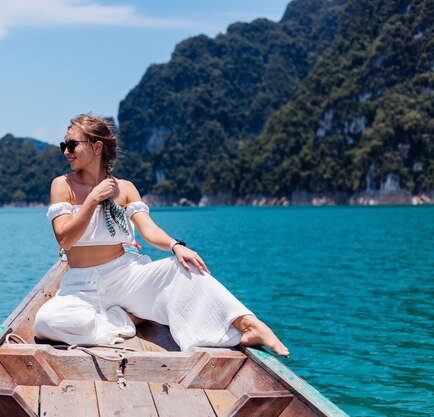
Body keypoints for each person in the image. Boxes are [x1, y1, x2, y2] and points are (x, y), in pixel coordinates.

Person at [33, 114, 289, 357]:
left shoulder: (125, 189)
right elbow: (65, 239)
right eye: (63, 145)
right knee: (47, 322)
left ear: (96, 147)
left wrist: (176, 246)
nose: (66, 151)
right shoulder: (62, 185)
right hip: (81, 287)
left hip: (124, 276)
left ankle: (248, 324)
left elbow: (149, 230)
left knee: (185, 268)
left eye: (72, 145)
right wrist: (93, 198)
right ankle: (125, 319)